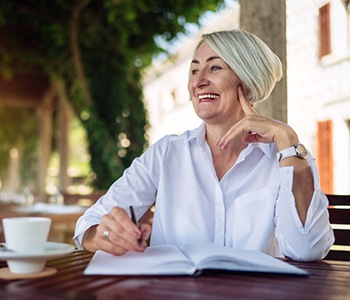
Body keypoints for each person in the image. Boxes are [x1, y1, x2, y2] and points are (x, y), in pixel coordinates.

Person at [74, 29, 334, 261]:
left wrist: (288, 140)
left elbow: (307, 250)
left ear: (246, 79)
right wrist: (108, 234)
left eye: (215, 68)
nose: (197, 82)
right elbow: (88, 225)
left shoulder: (287, 157)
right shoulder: (167, 153)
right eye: (195, 70)